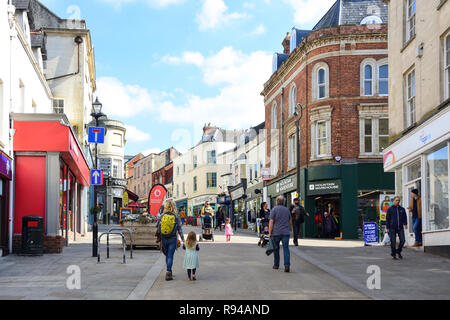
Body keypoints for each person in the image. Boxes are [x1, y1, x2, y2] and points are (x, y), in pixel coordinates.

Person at [156, 200, 185, 281]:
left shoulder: (162, 215)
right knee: (170, 256)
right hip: (172, 238)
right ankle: (168, 272)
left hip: (164, 238)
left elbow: (157, 226)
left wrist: (159, 235)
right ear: (174, 207)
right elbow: (179, 229)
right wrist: (183, 239)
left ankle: (168, 270)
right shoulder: (176, 216)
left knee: (167, 255)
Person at [269, 195, 292, 272]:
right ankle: (287, 265)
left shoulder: (274, 209)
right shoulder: (287, 210)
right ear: (283, 202)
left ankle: (276, 265)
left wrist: (269, 232)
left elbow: (271, 222)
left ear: (277, 201)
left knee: (276, 249)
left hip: (276, 232)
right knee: (286, 249)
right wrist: (289, 228)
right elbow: (290, 221)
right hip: (285, 232)